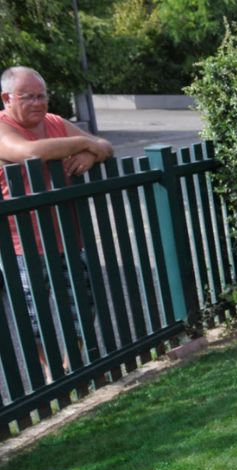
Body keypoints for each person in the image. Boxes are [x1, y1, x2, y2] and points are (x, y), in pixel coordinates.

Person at [0, 65, 113, 379]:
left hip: (67, 236)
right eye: (28, 97)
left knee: (83, 305)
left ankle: (70, 364)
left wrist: (91, 154)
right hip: (22, 245)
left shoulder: (55, 123)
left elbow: (104, 145)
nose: (38, 103)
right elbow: (28, 153)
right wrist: (82, 144)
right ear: (6, 98)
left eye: (42, 96)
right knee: (32, 316)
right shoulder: (2, 128)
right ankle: (48, 371)